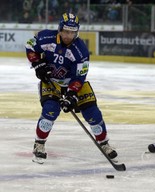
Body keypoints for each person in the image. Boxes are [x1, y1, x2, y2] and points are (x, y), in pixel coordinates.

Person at [26, 12, 118, 164]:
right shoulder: (46, 37)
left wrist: (71, 95)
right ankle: (39, 144)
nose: (69, 35)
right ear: (60, 29)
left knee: (92, 113)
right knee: (50, 110)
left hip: (73, 83)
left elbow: (79, 77)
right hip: (51, 81)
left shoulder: (81, 50)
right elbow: (30, 45)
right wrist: (38, 64)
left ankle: (104, 143)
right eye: (66, 31)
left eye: (72, 32)